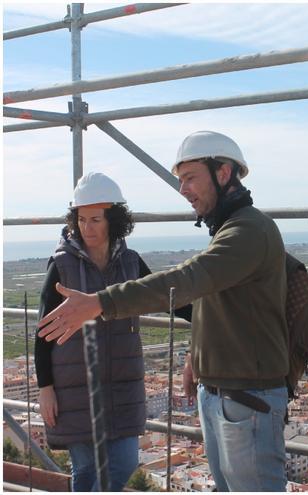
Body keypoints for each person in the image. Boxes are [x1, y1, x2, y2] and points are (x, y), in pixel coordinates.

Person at [37, 131, 289, 491]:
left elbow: (187, 283)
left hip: (243, 396)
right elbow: (210, 303)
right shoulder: (229, 230)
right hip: (220, 393)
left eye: (190, 178)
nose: (183, 190)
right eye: (82, 219)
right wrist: (197, 356)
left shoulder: (246, 231)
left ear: (223, 173)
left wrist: (98, 303)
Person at [35, 172, 191, 491]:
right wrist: (45, 388)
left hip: (122, 385)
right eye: (81, 219)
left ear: (114, 220)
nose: (87, 228)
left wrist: (207, 312)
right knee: (87, 470)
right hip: (74, 388)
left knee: (123, 463)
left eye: (96, 219)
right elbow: (43, 332)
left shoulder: (131, 263)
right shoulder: (61, 265)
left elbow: (164, 297)